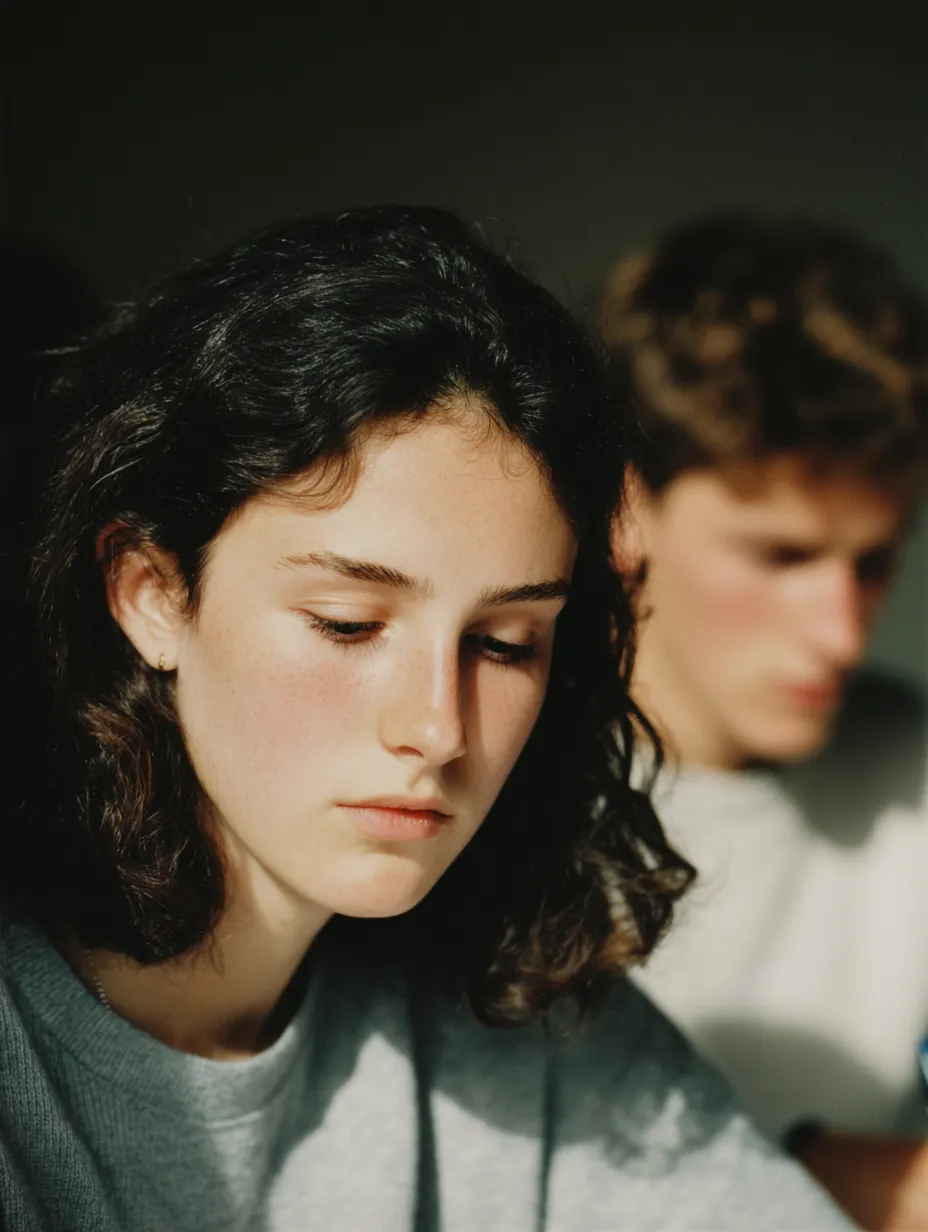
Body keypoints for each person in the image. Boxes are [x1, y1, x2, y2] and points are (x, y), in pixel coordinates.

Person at [0, 206, 851, 1232]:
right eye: (349, 623)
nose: (438, 727)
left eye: (503, 643)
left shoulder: (523, 1035)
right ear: (148, 591)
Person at [599, 214, 928, 1229]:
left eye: (871, 560)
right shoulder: (459, 786)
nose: (839, 631)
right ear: (625, 511)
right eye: (778, 556)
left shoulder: (914, 762)